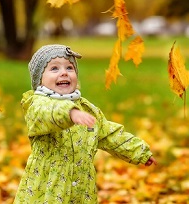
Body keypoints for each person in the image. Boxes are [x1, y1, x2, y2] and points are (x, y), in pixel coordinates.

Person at [14, 44, 156, 203]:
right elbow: (47, 113)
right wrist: (70, 113)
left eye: (69, 68)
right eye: (54, 69)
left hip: (82, 190)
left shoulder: (87, 110)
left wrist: (139, 151)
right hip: (47, 191)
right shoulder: (37, 104)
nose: (63, 73)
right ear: (39, 80)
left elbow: (110, 134)